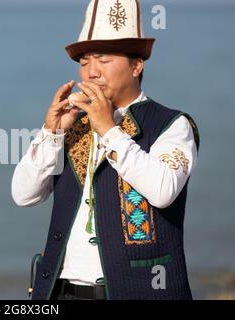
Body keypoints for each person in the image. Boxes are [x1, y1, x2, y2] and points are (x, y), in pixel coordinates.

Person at [12, 0, 200, 300]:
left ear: (136, 65)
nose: (92, 72)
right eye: (84, 62)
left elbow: (163, 190)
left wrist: (109, 131)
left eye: (103, 59)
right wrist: (51, 133)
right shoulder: (73, 124)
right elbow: (24, 195)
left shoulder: (172, 125)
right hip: (60, 292)